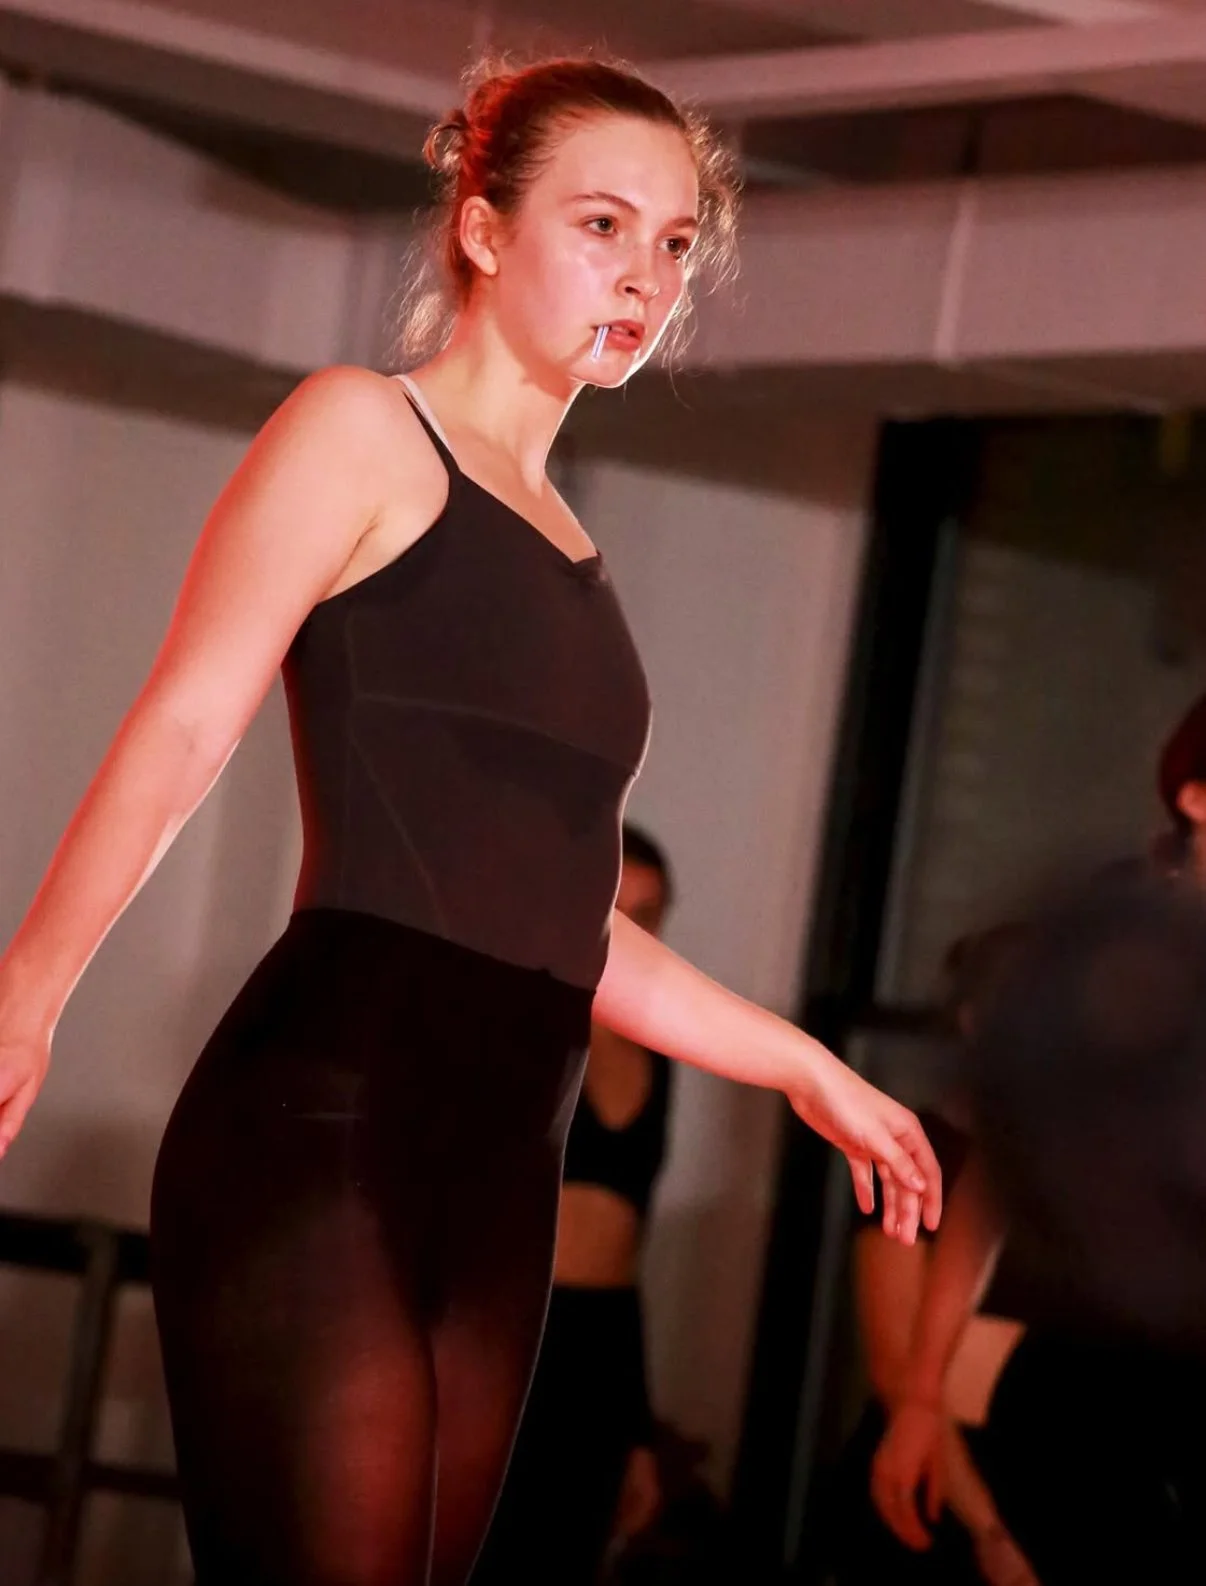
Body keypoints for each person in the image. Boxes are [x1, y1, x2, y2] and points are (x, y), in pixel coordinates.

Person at [0, 55, 941, 1586]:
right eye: (602, 224)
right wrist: (28, 989)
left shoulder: (575, 546)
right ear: (485, 228)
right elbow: (187, 721)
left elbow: (561, 922)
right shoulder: (363, 431)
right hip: (331, 1114)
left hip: (508, 1154)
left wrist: (808, 1068)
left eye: (675, 244)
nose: (642, 277)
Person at [872, 692, 1206, 1586]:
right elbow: (989, 1188)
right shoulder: (1120, 955)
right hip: (1088, 1387)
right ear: (1196, 798)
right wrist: (921, 1393)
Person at [473, 824, 675, 1584]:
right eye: (614, 905)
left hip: (599, 1345)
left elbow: (630, 1249)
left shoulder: (661, 1047)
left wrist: (640, 1428)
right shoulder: (521, 1015)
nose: (628, 929)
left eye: (648, 915)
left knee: (568, 1558)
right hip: (511, 1327)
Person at [823, 929, 1038, 1586]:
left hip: (1038, 1467)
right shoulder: (918, 1149)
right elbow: (894, 1359)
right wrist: (989, 1527)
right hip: (935, 1470)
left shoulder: (1068, 1168)